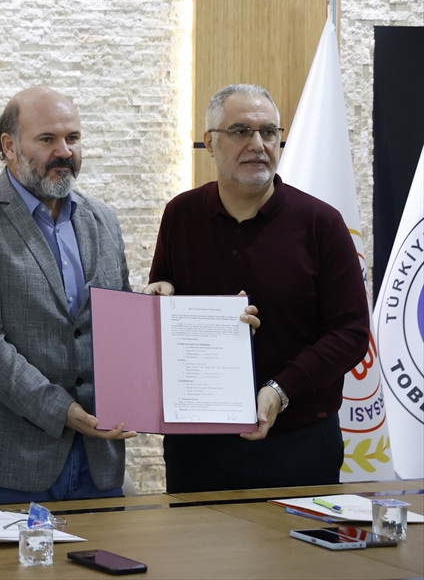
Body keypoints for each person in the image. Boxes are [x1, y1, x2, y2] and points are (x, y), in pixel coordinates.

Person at [146, 83, 368, 492]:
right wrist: (156, 302)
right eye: (240, 131)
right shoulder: (181, 214)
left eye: (268, 131)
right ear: (210, 142)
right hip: (198, 445)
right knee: (197, 538)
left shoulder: (321, 223)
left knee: (299, 539)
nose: (258, 144)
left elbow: (351, 334)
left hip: (299, 442)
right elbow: (163, 299)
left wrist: (281, 390)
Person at [0, 87, 136, 505]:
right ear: (9, 146)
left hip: (98, 460)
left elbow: (121, 326)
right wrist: (62, 411)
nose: (64, 151)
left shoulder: (104, 218)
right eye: (47, 139)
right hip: (5, 462)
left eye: (73, 138)